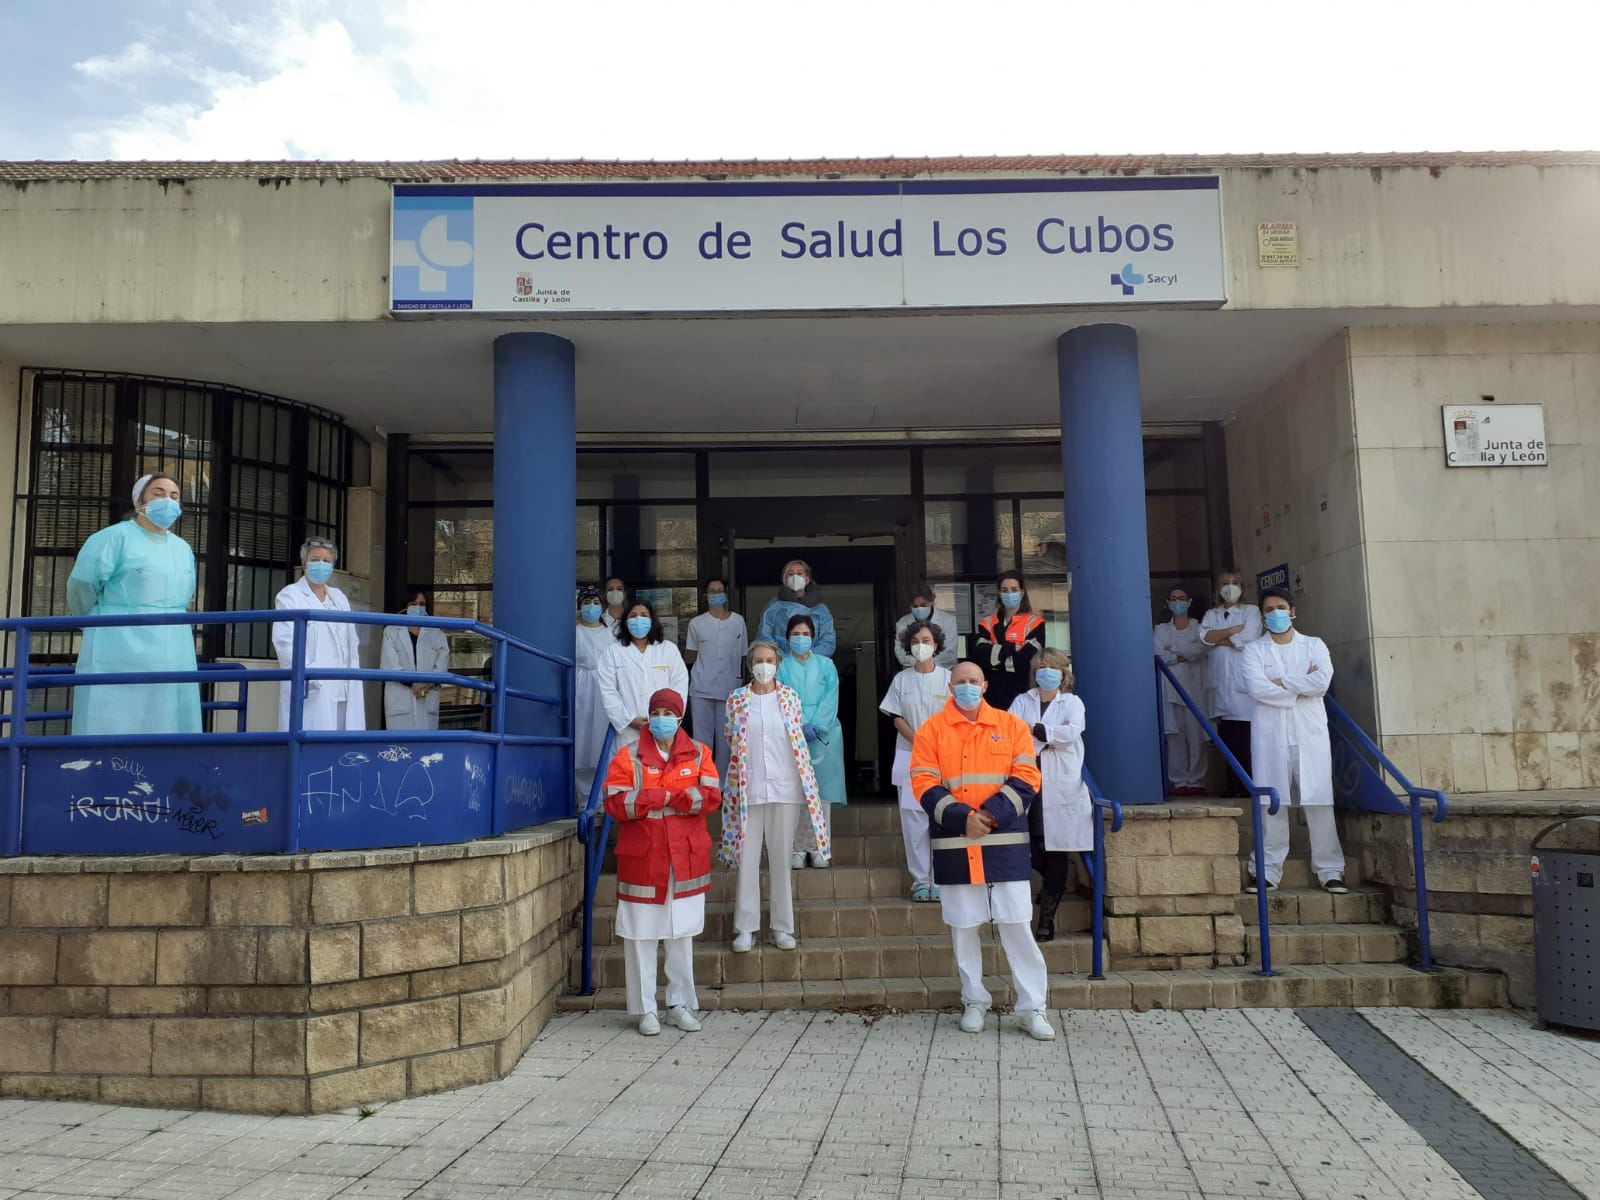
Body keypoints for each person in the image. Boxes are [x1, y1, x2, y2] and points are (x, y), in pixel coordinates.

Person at [910, 661, 1054, 1040]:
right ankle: (974, 1000)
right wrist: (962, 818)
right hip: (958, 844)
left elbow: (1027, 778)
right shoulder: (931, 730)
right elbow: (923, 783)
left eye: (974, 681)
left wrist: (989, 815)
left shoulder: (1011, 727)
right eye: (960, 682)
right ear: (950, 687)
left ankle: (1032, 1007)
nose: (968, 687)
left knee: (1017, 927)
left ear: (985, 685)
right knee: (963, 928)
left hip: (1002, 844)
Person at [602, 688, 721, 1036]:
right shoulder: (629, 755)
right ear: (649, 717)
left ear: (680, 718)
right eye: (657, 713)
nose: (662, 720)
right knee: (641, 936)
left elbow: (712, 795)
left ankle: (678, 1004)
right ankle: (645, 1010)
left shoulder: (699, 753)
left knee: (681, 934)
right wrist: (657, 797)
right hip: (645, 858)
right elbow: (614, 802)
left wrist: (680, 799)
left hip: (685, 857)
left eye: (669, 714)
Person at [66, 472, 201, 735]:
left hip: (174, 645)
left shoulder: (182, 548)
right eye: (158, 493)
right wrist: (92, 620)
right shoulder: (113, 537)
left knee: (169, 717)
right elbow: (82, 584)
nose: (168, 501)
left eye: (174, 496)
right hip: (117, 644)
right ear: (139, 501)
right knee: (114, 717)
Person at [720, 640, 830, 952]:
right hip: (748, 788)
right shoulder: (737, 700)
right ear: (750, 664)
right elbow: (730, 737)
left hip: (786, 787)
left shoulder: (790, 697)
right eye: (758, 660)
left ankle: (782, 928)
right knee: (748, 860)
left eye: (769, 660)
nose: (764, 665)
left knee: (782, 859)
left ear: (777, 664)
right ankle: (745, 927)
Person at [1242, 588, 1347, 894]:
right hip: (1271, 736)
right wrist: (1300, 686)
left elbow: (1322, 683)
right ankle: (1267, 870)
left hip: (1308, 735)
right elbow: (1257, 689)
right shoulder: (1254, 650)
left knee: (1318, 801)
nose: (1276, 612)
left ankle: (1330, 870)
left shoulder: (1314, 645)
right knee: (1271, 803)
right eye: (1270, 609)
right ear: (1262, 616)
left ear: (1293, 611)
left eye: (1281, 607)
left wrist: (1281, 683)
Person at [1007, 649, 1090, 943]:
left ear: (1063, 673)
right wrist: (1049, 735)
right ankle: (1055, 883)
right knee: (1029, 846)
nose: (1046, 671)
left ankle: (1047, 919)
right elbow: (1011, 733)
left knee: (1055, 849)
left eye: (1051, 667)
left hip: (1061, 785)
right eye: (1040, 667)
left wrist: (1037, 730)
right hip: (1028, 782)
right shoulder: (1022, 701)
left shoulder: (1072, 702)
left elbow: (1073, 731)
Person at [879, 620, 952, 901]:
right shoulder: (901, 679)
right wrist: (919, 739)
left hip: (944, 756)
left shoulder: (949, 678)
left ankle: (942, 878)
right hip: (910, 754)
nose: (921, 646)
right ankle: (922, 880)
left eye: (926, 641)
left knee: (942, 817)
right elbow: (895, 716)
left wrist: (934, 742)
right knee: (914, 822)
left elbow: (956, 715)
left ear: (936, 645)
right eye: (915, 642)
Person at [272, 538, 364, 732]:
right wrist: (311, 676)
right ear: (304, 563)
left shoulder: (339, 597)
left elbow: (351, 642)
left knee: (344, 751)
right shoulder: (290, 596)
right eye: (315, 559)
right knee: (313, 749)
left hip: (344, 687)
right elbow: (285, 643)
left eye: (326, 561)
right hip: (314, 689)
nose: (321, 565)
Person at [777, 613, 846, 868]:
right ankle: (796, 849)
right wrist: (799, 725)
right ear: (787, 637)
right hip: (792, 734)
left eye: (805, 634)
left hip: (824, 735)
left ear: (813, 637)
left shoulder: (826, 665)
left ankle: (820, 848)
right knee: (796, 793)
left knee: (822, 795)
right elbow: (781, 698)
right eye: (796, 634)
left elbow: (831, 697)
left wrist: (816, 725)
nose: (801, 638)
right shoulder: (781, 667)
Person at [1200, 570, 1263, 798]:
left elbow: (1247, 639)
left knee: (1244, 738)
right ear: (1218, 589)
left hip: (1241, 686)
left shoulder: (1251, 611)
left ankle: (1248, 786)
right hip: (1220, 685)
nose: (1229, 587)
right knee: (1226, 739)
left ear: (1242, 587)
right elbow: (1204, 638)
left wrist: (1219, 639)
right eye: (1225, 583)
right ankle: (1233, 786)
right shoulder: (1211, 613)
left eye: (1234, 582)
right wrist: (1230, 632)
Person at [598, 599, 689, 753]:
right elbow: (608, 691)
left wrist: (666, 717)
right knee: (629, 771)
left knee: (662, 771)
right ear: (625, 622)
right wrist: (629, 720)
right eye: (633, 616)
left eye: (643, 615)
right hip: (628, 730)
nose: (638, 619)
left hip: (662, 727)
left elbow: (679, 685)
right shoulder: (612, 652)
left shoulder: (668, 650)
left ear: (652, 621)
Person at [685, 578, 746, 783]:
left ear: (726, 595)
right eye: (712, 591)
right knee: (701, 739)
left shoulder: (738, 621)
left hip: (729, 687)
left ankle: (721, 786)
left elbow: (743, 654)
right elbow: (691, 655)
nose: (716, 594)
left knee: (726, 739)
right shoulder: (696, 623)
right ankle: (702, 781)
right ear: (706, 596)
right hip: (701, 686)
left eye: (720, 591)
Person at [1154, 584, 1210, 796]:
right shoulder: (1161, 629)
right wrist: (1181, 655)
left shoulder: (1199, 628)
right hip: (1170, 690)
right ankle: (1179, 782)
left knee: (1196, 739)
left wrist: (1174, 652)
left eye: (1182, 598)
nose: (1178, 602)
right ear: (1168, 603)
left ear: (1189, 602)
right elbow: (1158, 654)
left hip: (1195, 690)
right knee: (1175, 737)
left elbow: (1199, 651)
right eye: (1174, 598)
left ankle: (1196, 781)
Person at [973, 570, 1045, 713]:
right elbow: (981, 657)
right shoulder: (987, 623)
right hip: (993, 692)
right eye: (1004, 590)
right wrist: (1014, 648)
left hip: (1023, 689)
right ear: (999, 593)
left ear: (1022, 592)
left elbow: (1028, 660)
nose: (1009, 594)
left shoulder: (1035, 623)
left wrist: (996, 658)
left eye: (1014, 590)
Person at [380, 589, 450, 731]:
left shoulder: (436, 633)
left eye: (422, 604)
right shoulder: (392, 631)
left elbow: (443, 661)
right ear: (405, 606)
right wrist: (412, 683)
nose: (418, 607)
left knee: (425, 748)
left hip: (427, 695)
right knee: (401, 748)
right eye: (413, 603)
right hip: (401, 699)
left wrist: (429, 683)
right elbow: (390, 664)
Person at [573, 586, 616, 803]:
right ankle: (585, 797)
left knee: (602, 740)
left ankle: (603, 797)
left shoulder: (610, 633)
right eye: (587, 603)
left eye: (596, 603)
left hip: (605, 687)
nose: (591, 607)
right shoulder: (575, 632)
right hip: (581, 686)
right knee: (582, 739)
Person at [757, 559, 836, 657]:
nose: (795, 577)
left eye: (799, 573)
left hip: (813, 667)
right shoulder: (773, 607)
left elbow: (828, 641)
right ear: (785, 579)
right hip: (781, 666)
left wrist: (810, 659)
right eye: (790, 574)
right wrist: (784, 659)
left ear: (807, 579)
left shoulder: (821, 610)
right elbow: (765, 638)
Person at [892, 581, 959, 670]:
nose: (919, 609)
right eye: (915, 606)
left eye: (923, 605)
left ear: (931, 602)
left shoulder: (948, 620)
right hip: (912, 673)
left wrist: (925, 664)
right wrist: (921, 665)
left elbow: (949, 654)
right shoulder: (902, 623)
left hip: (943, 672)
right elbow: (901, 653)